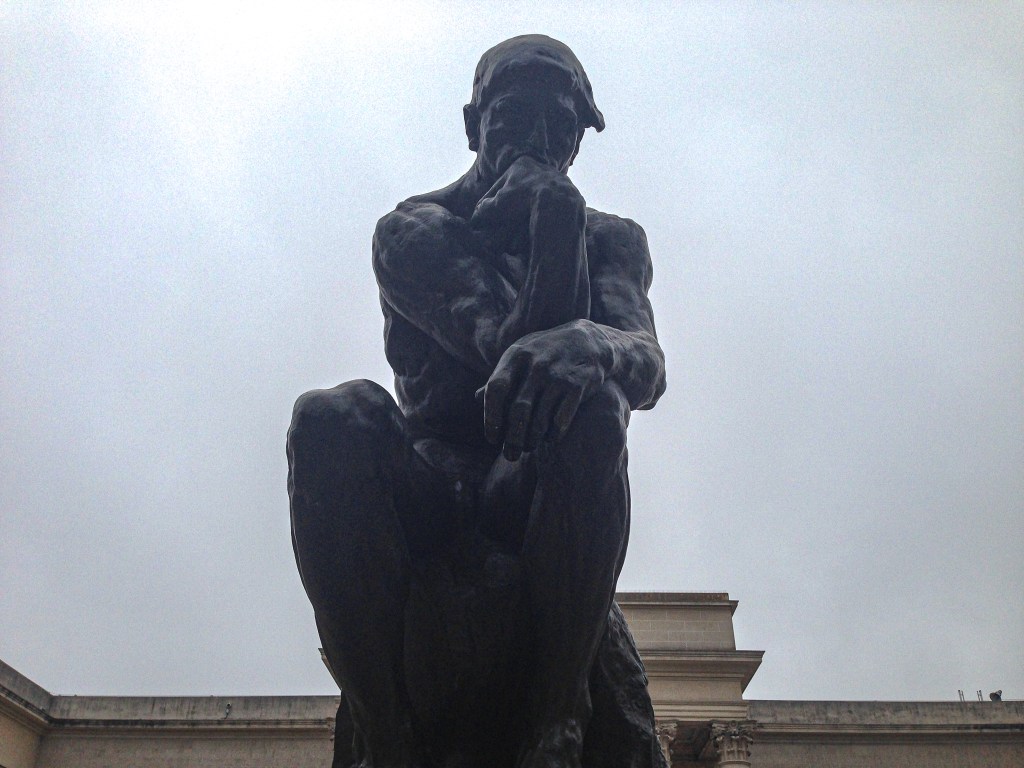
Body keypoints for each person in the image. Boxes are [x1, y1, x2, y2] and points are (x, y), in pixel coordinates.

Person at [288, 35, 667, 768]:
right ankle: (385, 727)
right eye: (516, 118)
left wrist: (595, 340)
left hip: (528, 489)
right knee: (330, 417)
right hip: (431, 492)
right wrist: (553, 221)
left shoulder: (614, 239)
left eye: (563, 127)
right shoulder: (415, 229)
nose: (542, 141)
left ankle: (559, 716)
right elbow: (508, 358)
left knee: (594, 409)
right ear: (473, 124)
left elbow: (645, 366)